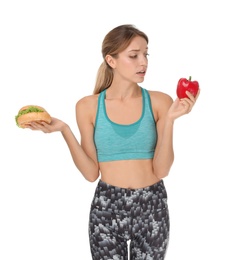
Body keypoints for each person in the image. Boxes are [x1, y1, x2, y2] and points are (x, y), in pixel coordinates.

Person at [27, 24, 200, 260]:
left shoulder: (160, 102)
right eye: (134, 55)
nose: (143, 62)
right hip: (107, 206)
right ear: (111, 60)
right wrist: (64, 130)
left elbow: (162, 169)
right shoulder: (87, 106)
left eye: (145, 54)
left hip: (152, 205)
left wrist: (170, 120)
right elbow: (90, 174)